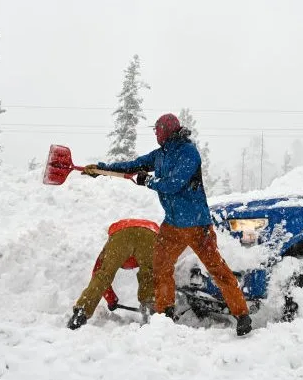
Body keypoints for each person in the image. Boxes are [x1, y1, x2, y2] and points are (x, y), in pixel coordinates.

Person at [84, 113, 252, 336]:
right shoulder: (161, 154)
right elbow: (134, 165)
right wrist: (102, 168)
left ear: (167, 130)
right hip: (172, 225)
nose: (155, 133)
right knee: (160, 267)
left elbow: (174, 184)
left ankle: (242, 315)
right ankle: (165, 314)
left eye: (157, 130)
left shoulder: (188, 153)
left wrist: (149, 181)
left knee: (216, 269)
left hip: (196, 224)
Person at [67, 218, 159, 330]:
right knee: (149, 274)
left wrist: (111, 300)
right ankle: (151, 310)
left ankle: (81, 312)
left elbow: (97, 271)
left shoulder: (112, 245)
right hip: (150, 233)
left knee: (104, 274)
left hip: (121, 234)